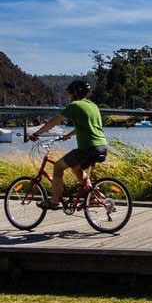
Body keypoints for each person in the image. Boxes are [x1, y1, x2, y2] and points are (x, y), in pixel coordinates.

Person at [29, 80, 108, 210]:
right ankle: (95, 196)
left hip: (87, 148)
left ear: (75, 93)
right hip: (102, 146)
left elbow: (54, 121)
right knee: (76, 168)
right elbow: (88, 127)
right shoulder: (93, 106)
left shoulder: (75, 105)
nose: (69, 96)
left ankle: (54, 201)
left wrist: (36, 134)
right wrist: (68, 136)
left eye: (70, 93)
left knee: (58, 167)